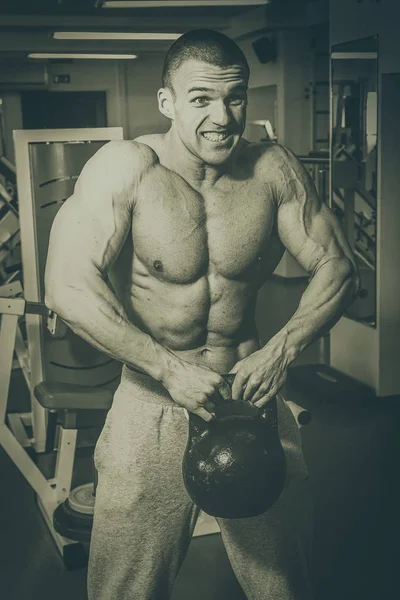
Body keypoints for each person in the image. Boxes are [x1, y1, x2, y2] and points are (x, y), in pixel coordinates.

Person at [45, 29, 359, 600]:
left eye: (235, 97)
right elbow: (66, 285)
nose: (222, 116)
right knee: (126, 589)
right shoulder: (127, 169)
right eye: (201, 99)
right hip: (152, 407)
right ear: (166, 102)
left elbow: (339, 265)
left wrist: (282, 349)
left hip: (252, 399)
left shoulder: (272, 169)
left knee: (285, 585)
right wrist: (168, 369)